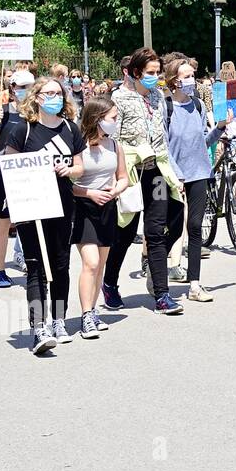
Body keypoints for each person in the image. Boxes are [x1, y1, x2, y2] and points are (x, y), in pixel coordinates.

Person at [101, 47, 185, 315]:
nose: (156, 77)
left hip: (157, 172)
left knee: (159, 229)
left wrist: (172, 169)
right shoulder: (119, 99)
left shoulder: (158, 97)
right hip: (131, 172)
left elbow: (162, 135)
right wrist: (133, 157)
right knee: (125, 233)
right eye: (151, 73)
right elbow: (115, 141)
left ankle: (161, 294)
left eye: (158, 72)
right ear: (136, 72)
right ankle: (109, 283)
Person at [6, 77, 86, 354]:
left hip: (63, 206)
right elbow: (10, 166)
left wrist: (69, 171)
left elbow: (80, 167)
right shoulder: (23, 130)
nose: (54, 97)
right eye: (48, 92)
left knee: (61, 265)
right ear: (37, 97)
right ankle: (38, 327)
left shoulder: (70, 129)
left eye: (58, 93)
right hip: (33, 209)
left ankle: (59, 320)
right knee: (37, 268)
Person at [163, 57, 226, 302]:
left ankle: (195, 285)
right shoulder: (165, 107)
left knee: (195, 227)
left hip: (199, 172)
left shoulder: (198, 105)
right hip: (174, 175)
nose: (192, 81)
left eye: (193, 76)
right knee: (173, 227)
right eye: (186, 77)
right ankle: (157, 268)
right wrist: (176, 173)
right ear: (174, 81)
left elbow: (204, 141)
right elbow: (164, 145)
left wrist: (219, 128)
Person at [71, 97, 127, 338]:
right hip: (83, 207)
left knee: (100, 265)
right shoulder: (78, 145)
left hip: (107, 207)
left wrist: (116, 189)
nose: (116, 122)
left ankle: (92, 312)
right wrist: (89, 193)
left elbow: (123, 177)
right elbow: (67, 183)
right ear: (97, 118)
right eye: (112, 118)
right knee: (90, 263)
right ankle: (85, 316)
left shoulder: (115, 146)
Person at [0, 68, 34, 288]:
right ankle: (1, 270)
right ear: (12, 88)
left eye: (30, 87)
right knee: (3, 223)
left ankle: (33, 265)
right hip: (0, 175)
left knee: (31, 222)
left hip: (29, 176)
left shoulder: (38, 113)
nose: (27, 91)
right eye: (22, 87)